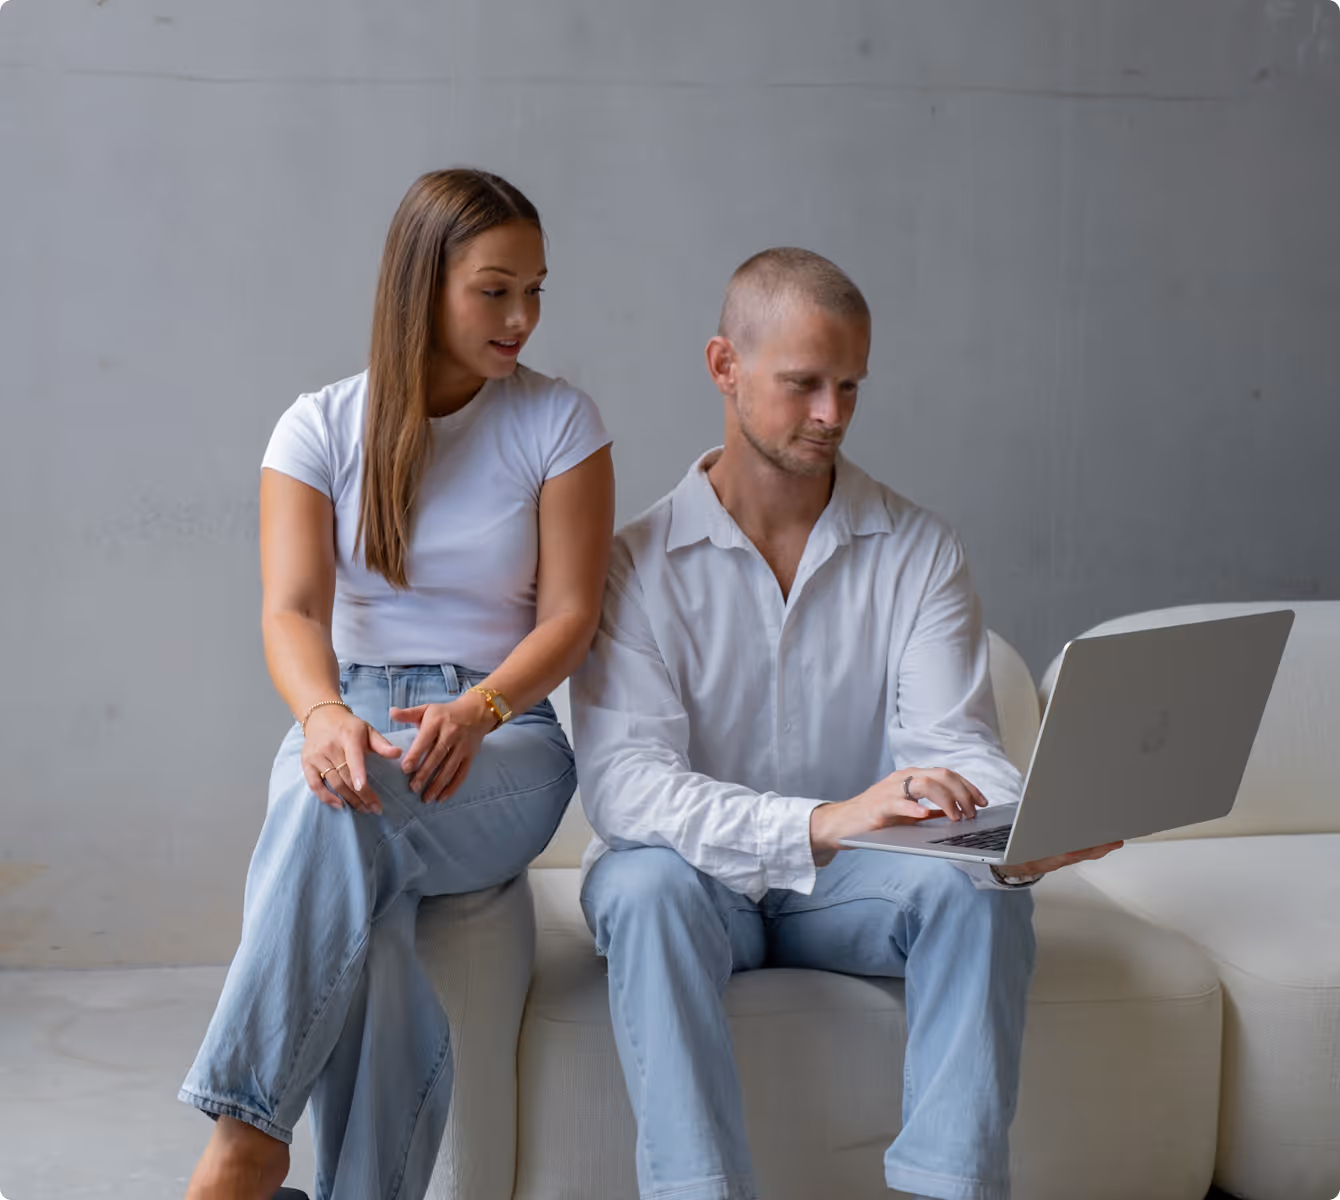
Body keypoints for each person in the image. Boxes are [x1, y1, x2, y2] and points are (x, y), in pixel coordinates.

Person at [571, 247, 1119, 1200]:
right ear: (724, 366)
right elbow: (626, 789)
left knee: (981, 892)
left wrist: (1021, 828)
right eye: (804, 384)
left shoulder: (920, 549)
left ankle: (951, 1189)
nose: (832, 414)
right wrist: (824, 820)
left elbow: (956, 749)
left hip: (856, 892)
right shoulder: (632, 563)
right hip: (700, 883)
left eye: (851, 386)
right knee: (640, 886)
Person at [180, 168, 614, 1200]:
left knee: (339, 819)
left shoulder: (559, 422)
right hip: (351, 713)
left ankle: (243, 1144)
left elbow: (569, 618)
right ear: (421, 286)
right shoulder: (318, 427)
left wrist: (479, 706)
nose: (523, 318)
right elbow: (290, 610)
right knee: (355, 889)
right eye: (494, 290)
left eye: (536, 290)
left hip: (499, 731)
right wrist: (325, 714)